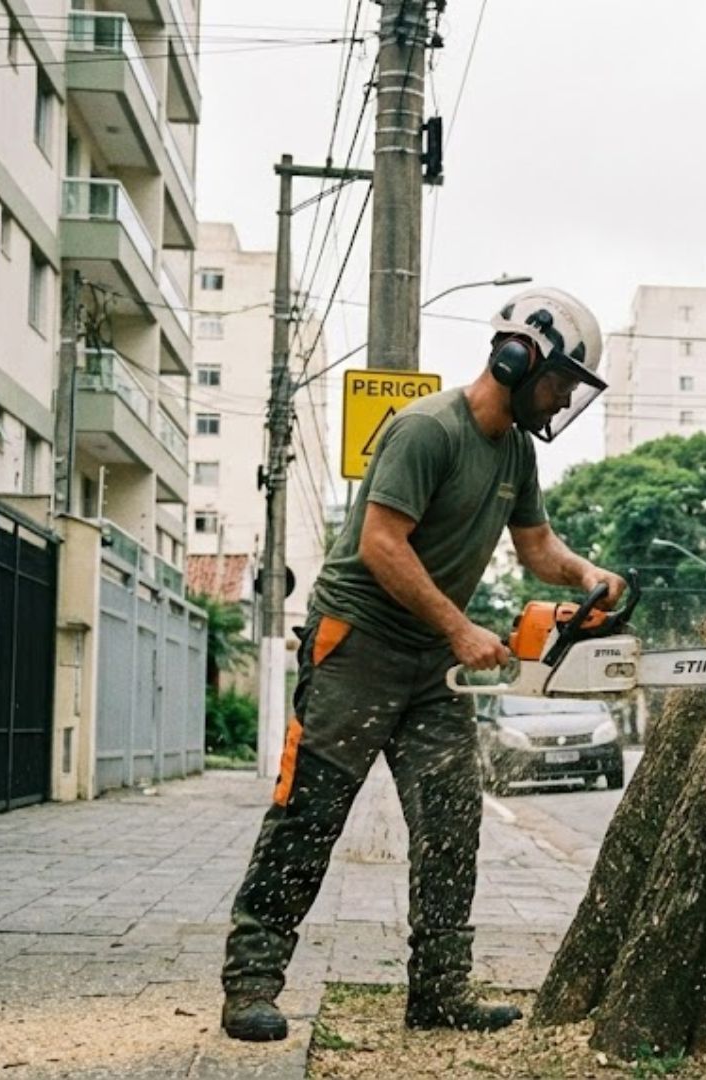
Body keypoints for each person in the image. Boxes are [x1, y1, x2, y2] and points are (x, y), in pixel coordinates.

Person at [218, 288, 626, 1043]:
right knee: (309, 814)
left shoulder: (515, 451)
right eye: (560, 381)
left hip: (431, 664)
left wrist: (586, 574)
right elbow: (382, 545)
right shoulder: (426, 429)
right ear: (519, 358)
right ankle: (251, 983)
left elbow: (536, 546)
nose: (563, 398)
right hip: (358, 645)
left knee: (451, 820)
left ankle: (439, 990)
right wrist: (460, 628)